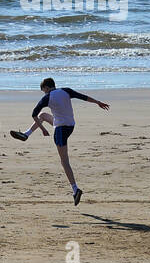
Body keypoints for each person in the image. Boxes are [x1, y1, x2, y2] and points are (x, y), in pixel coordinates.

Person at [10, 77, 109, 205]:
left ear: (46, 88)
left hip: (60, 130)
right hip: (70, 125)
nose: (44, 93)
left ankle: (75, 189)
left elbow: (33, 114)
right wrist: (98, 102)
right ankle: (26, 134)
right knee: (43, 116)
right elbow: (83, 97)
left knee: (64, 161)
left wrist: (43, 129)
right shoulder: (66, 91)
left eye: (44, 91)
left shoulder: (47, 97)